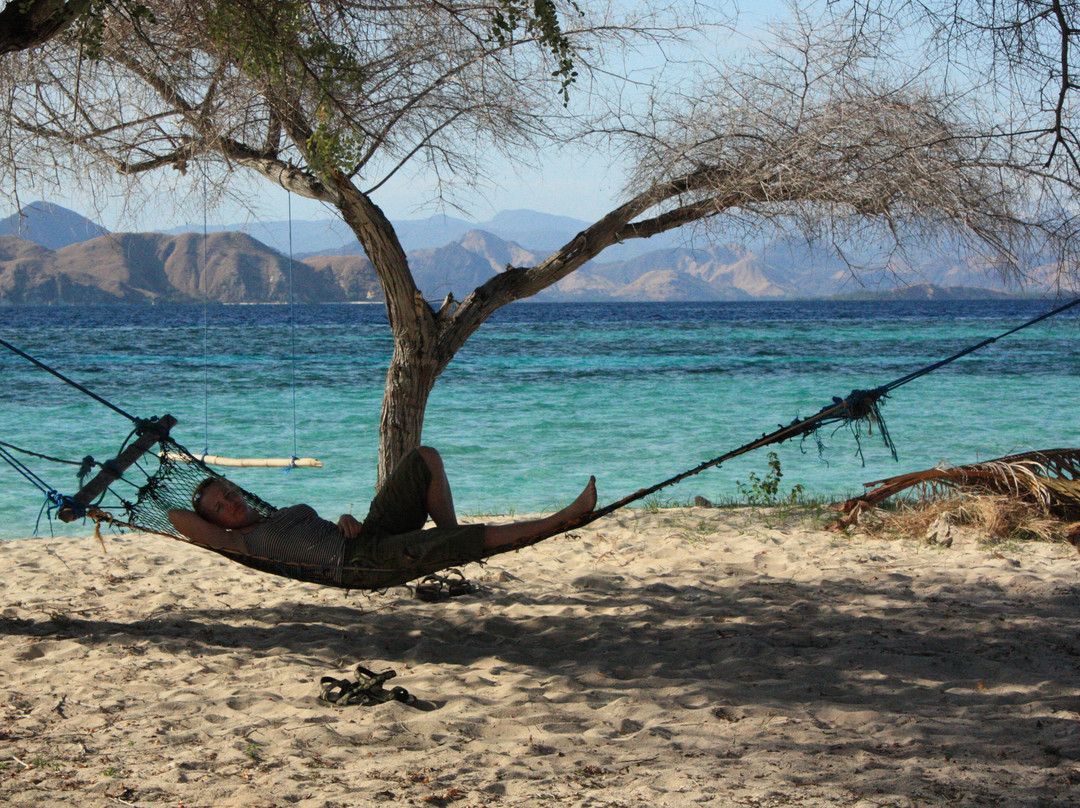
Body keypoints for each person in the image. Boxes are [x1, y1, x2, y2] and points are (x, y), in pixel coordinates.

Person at [167, 446, 597, 590]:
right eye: (220, 507)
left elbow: (313, 532)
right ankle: (560, 518)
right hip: (363, 565)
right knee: (460, 541)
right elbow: (176, 515)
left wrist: (342, 518)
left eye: (228, 493)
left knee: (422, 459)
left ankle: (451, 536)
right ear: (218, 524)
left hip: (366, 536)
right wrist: (200, 501)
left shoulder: (271, 517)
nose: (230, 503)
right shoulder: (239, 542)